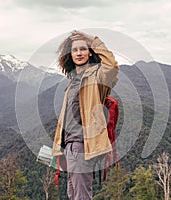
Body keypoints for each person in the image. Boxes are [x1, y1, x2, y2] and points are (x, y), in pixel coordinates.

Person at [52, 30, 119, 200]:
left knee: (81, 195)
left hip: (83, 144)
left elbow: (111, 66)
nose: (79, 53)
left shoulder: (97, 77)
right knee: (73, 193)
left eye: (83, 49)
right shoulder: (72, 81)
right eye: (75, 50)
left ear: (90, 52)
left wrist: (93, 40)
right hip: (69, 146)